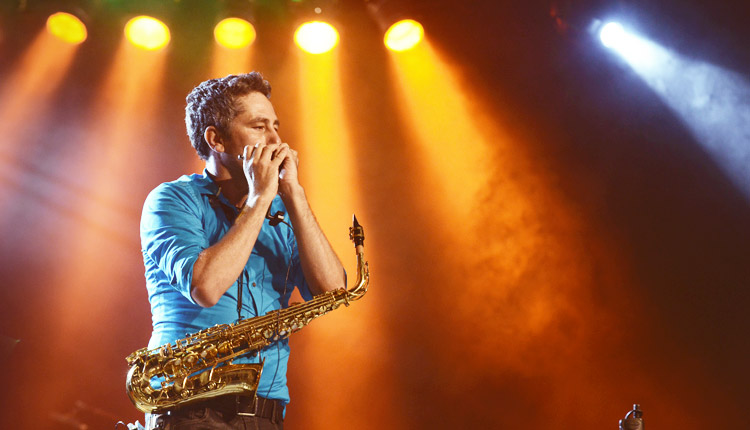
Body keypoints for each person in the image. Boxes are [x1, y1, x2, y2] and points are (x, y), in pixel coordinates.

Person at [139, 72, 346, 429]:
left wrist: (294, 195)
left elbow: (333, 292)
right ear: (216, 139)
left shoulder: (282, 212)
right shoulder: (172, 200)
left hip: (265, 413)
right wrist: (260, 197)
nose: (276, 140)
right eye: (259, 126)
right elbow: (205, 287)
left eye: (276, 126)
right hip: (190, 407)